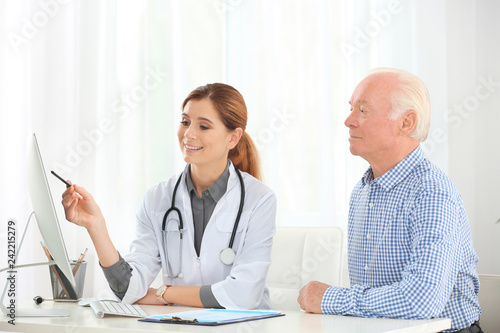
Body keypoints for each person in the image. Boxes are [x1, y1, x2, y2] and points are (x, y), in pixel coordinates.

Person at [61, 83, 277, 309]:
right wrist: (96, 226)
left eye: (203, 126)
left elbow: (242, 295)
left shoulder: (259, 200)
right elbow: (129, 289)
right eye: (185, 122)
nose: (189, 134)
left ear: (233, 138)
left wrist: (164, 293)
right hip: (180, 325)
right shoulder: (157, 198)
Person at [298, 68, 482, 332]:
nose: (348, 120)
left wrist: (329, 298)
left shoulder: (432, 194)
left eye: (363, 110)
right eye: (351, 108)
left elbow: (421, 301)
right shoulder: (361, 191)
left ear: (406, 123)